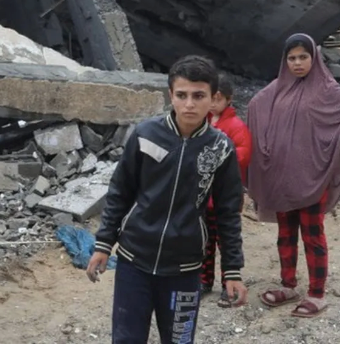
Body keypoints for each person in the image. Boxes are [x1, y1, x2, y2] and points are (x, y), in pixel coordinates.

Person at [87, 55, 248, 344]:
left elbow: (228, 212)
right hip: (134, 261)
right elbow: (120, 191)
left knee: (179, 341)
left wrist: (232, 270)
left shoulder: (221, 148)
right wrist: (104, 244)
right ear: (170, 95)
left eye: (199, 95)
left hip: (184, 269)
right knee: (126, 340)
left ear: (213, 98)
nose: (189, 104)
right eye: (182, 95)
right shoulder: (146, 134)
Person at [246, 33, 340, 319]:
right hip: (282, 176)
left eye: (303, 57)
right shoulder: (277, 88)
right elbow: (255, 106)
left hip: (314, 177)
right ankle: (288, 285)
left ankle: (317, 293)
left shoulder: (328, 89)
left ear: (314, 59)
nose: (297, 63)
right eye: (292, 58)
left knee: (312, 234)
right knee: (285, 234)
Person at [202, 76, 253, 302]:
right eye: (210, 98)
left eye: (218, 99)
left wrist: (216, 161)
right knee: (204, 241)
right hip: (204, 196)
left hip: (225, 195)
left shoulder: (236, 126)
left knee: (226, 240)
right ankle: (204, 280)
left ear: (228, 100)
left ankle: (228, 283)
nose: (213, 104)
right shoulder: (202, 123)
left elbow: (243, 154)